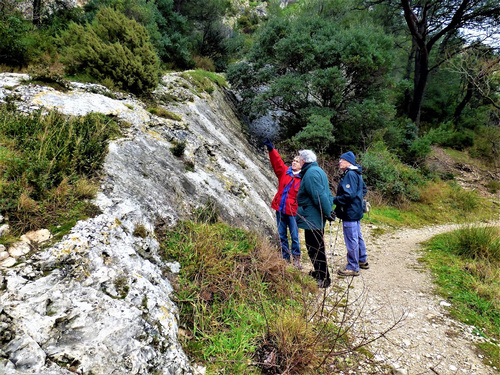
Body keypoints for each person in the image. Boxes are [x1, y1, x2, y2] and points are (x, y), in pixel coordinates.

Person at [295, 149, 334, 288]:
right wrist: (329, 210)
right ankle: (319, 273)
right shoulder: (318, 171)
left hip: (312, 218)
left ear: (304, 161)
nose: (298, 160)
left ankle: (324, 278)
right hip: (314, 217)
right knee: (315, 246)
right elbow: (327, 193)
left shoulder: (311, 173)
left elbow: (319, 196)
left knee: (315, 248)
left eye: (299, 158)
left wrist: (328, 212)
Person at [263, 138, 302, 268]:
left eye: (297, 161)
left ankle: (296, 259)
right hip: (280, 209)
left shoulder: (303, 179)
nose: (294, 162)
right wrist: (271, 149)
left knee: (295, 237)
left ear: (302, 165)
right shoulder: (285, 172)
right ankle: (285, 258)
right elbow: (277, 162)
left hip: (293, 212)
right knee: (282, 235)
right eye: (294, 160)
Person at [334, 151, 368, 277]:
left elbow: (348, 195)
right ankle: (362, 259)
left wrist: (334, 200)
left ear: (348, 162)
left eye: (341, 160)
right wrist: (358, 200)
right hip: (356, 210)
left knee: (351, 239)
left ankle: (353, 267)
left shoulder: (349, 174)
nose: (339, 162)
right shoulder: (357, 173)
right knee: (357, 236)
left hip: (350, 212)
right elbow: (363, 189)